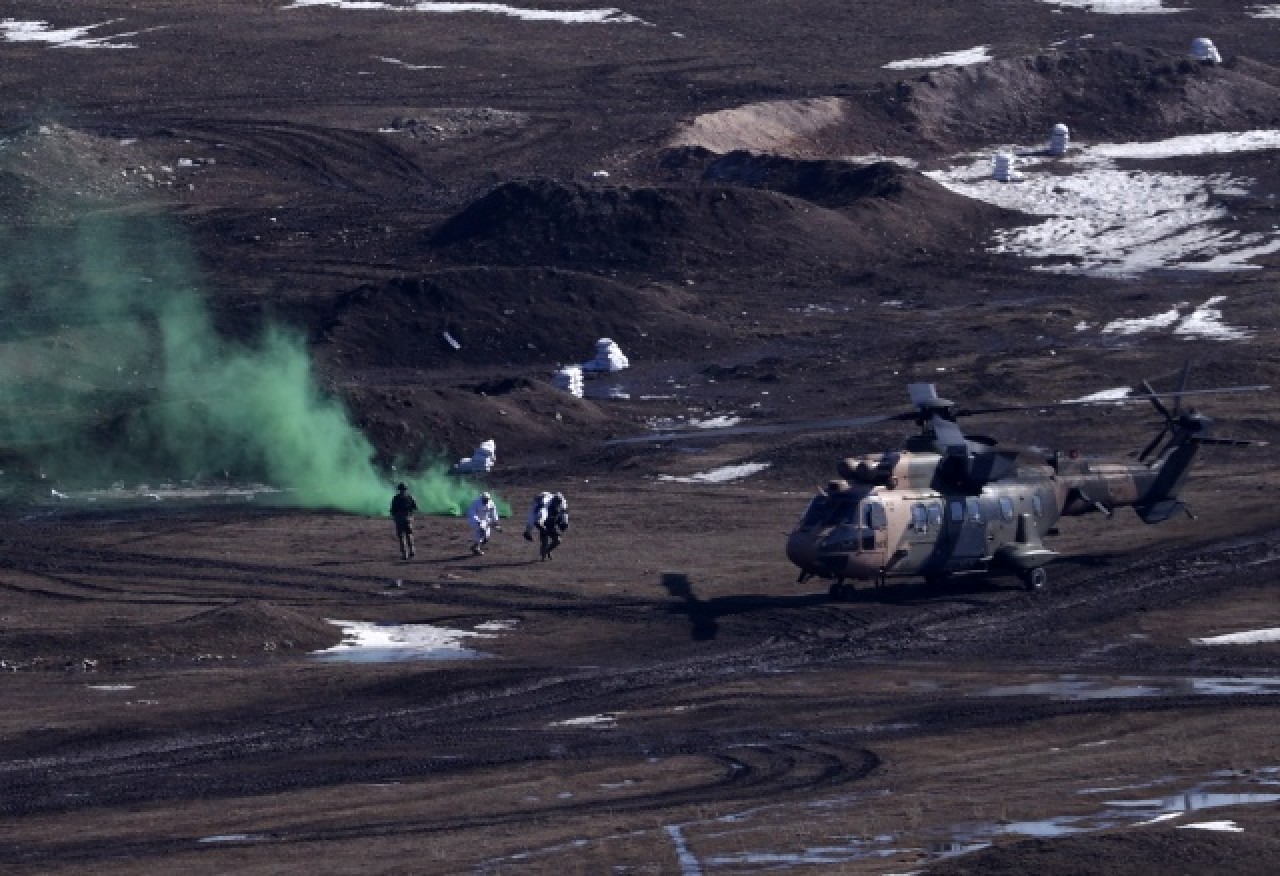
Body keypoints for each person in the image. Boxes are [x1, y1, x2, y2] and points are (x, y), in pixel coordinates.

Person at [524, 491, 570, 560]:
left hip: (551, 523)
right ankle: (544, 552)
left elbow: (564, 514)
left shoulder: (562, 504)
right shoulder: (543, 507)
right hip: (542, 523)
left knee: (557, 540)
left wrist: (564, 523)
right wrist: (528, 531)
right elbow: (533, 518)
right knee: (544, 543)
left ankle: (547, 551)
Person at [467, 491, 501, 555]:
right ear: (482, 498)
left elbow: (494, 513)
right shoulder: (476, 503)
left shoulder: (491, 503)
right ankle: (477, 548)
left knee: (486, 537)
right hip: (475, 520)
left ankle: (475, 546)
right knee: (481, 532)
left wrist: (496, 522)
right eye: (485, 500)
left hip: (485, 520)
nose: (486, 501)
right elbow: (472, 513)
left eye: (487, 500)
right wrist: (477, 521)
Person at [390, 482, 418, 560]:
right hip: (408, 517)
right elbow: (415, 508)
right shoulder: (410, 497)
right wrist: (411, 515)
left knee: (401, 536)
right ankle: (412, 550)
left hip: (399, 518)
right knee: (409, 535)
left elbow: (393, 510)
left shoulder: (396, 498)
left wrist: (395, 517)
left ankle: (405, 554)